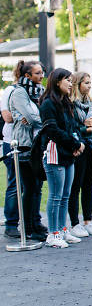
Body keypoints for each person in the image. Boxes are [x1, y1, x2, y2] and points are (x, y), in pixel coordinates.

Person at [39, 68, 85, 248]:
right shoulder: (48, 103)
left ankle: (63, 230)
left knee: (66, 195)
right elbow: (52, 130)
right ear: (57, 81)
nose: (70, 84)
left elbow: (73, 127)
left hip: (68, 154)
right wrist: (74, 144)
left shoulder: (66, 103)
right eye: (67, 80)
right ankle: (53, 233)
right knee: (56, 195)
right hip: (55, 154)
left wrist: (78, 143)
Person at [8, 60, 48, 241]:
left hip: (39, 144)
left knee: (37, 187)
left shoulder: (40, 92)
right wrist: (45, 120)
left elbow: (37, 115)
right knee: (29, 187)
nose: (41, 76)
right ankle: (27, 226)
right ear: (27, 75)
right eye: (38, 73)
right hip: (24, 144)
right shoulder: (19, 92)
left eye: (42, 72)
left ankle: (35, 222)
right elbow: (32, 117)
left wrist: (40, 118)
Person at [68, 72, 92, 238]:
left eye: (90, 82)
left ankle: (88, 220)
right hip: (78, 146)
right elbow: (72, 126)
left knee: (88, 184)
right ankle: (75, 222)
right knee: (76, 184)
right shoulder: (71, 104)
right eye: (86, 83)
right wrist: (86, 128)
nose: (89, 86)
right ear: (77, 84)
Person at [2, 62, 22, 238]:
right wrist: (25, 116)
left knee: (31, 185)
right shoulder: (9, 91)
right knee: (15, 184)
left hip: (28, 143)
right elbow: (7, 117)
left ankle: (30, 220)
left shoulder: (34, 92)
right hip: (11, 141)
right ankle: (10, 223)